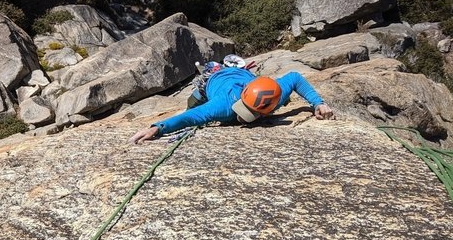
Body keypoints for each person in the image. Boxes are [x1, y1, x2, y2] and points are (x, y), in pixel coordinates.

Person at [131, 66, 335, 144]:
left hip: (241, 75)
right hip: (211, 81)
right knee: (191, 104)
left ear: (269, 110)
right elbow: (191, 116)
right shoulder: (223, 105)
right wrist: (158, 128)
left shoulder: (276, 94)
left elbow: (295, 77)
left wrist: (318, 103)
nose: (240, 117)